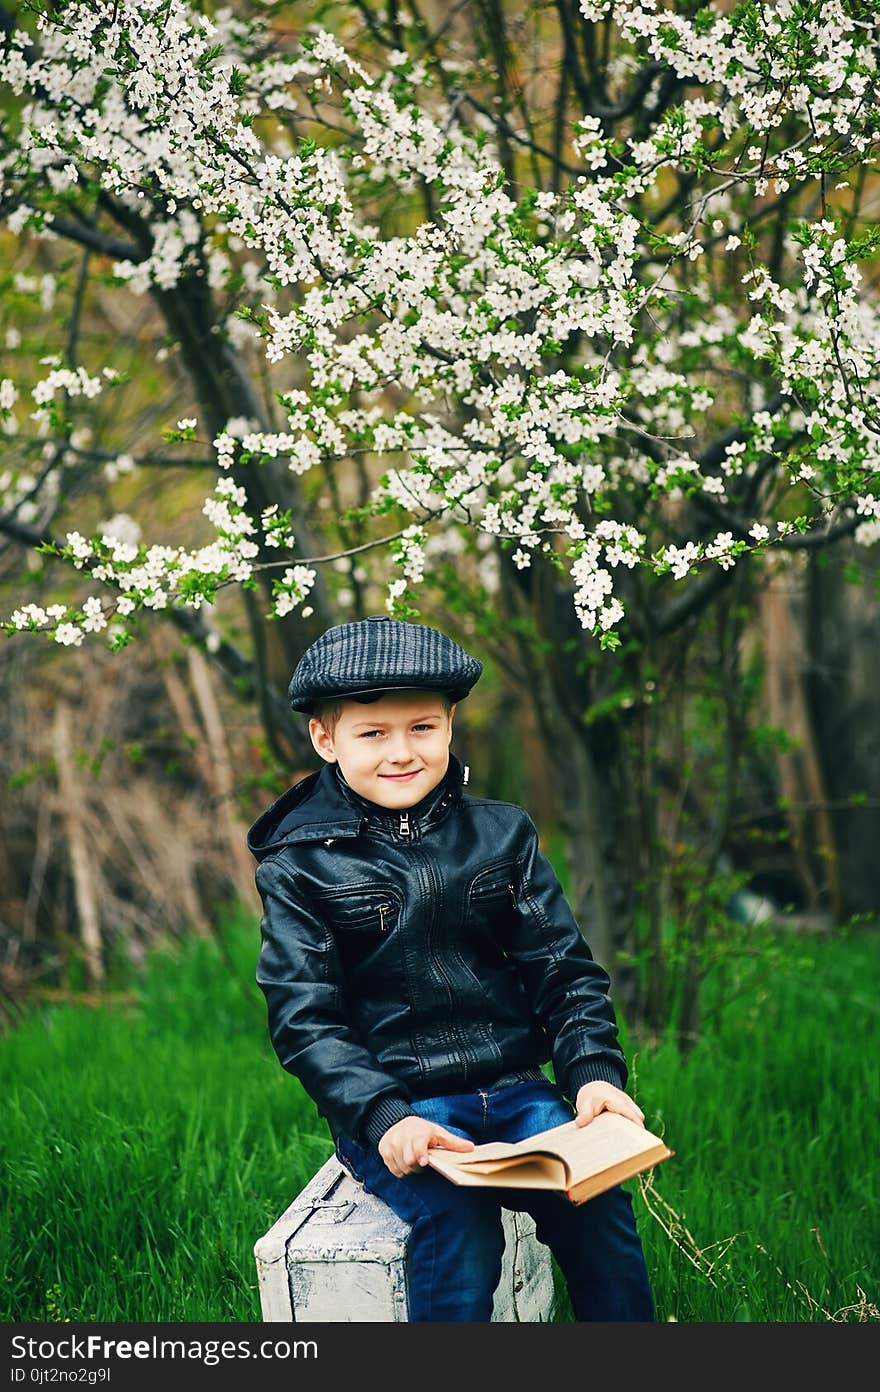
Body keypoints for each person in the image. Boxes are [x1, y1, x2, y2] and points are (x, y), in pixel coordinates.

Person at [249, 614, 655, 1322]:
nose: (401, 752)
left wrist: (593, 1074)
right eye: (372, 734)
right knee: (458, 1230)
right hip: (406, 1106)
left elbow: (563, 968)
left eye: (423, 728)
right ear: (325, 738)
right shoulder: (300, 865)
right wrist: (383, 1117)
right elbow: (304, 1019)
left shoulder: (502, 834)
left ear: (450, 725)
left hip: (517, 1088)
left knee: (598, 1210)